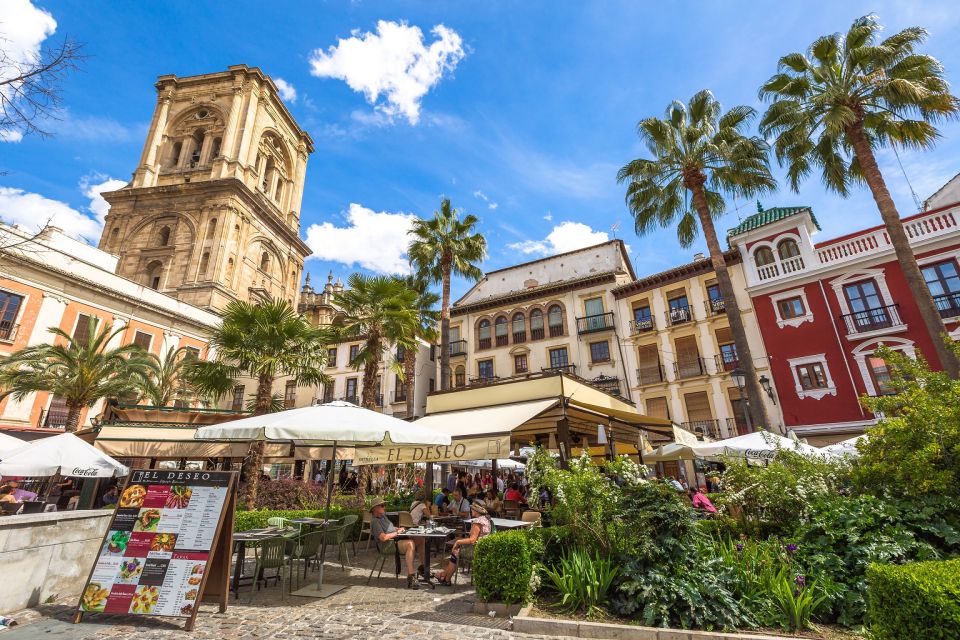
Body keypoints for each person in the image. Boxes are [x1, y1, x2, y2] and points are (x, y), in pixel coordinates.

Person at [369, 500, 425, 589]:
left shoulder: (383, 517)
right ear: (375, 508)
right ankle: (411, 576)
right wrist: (397, 533)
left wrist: (399, 529)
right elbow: (383, 538)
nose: (385, 507)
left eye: (384, 505)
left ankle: (423, 568)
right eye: (382, 506)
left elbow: (390, 528)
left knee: (420, 539)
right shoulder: (375, 521)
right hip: (387, 545)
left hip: (395, 540)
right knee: (410, 544)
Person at [433, 502, 492, 585]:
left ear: (476, 511)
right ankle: (444, 576)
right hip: (482, 548)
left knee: (455, 552)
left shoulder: (478, 521)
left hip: (475, 550)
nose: (471, 511)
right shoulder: (486, 519)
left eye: (472, 509)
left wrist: (458, 542)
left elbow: (472, 540)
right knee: (456, 552)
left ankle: (446, 578)